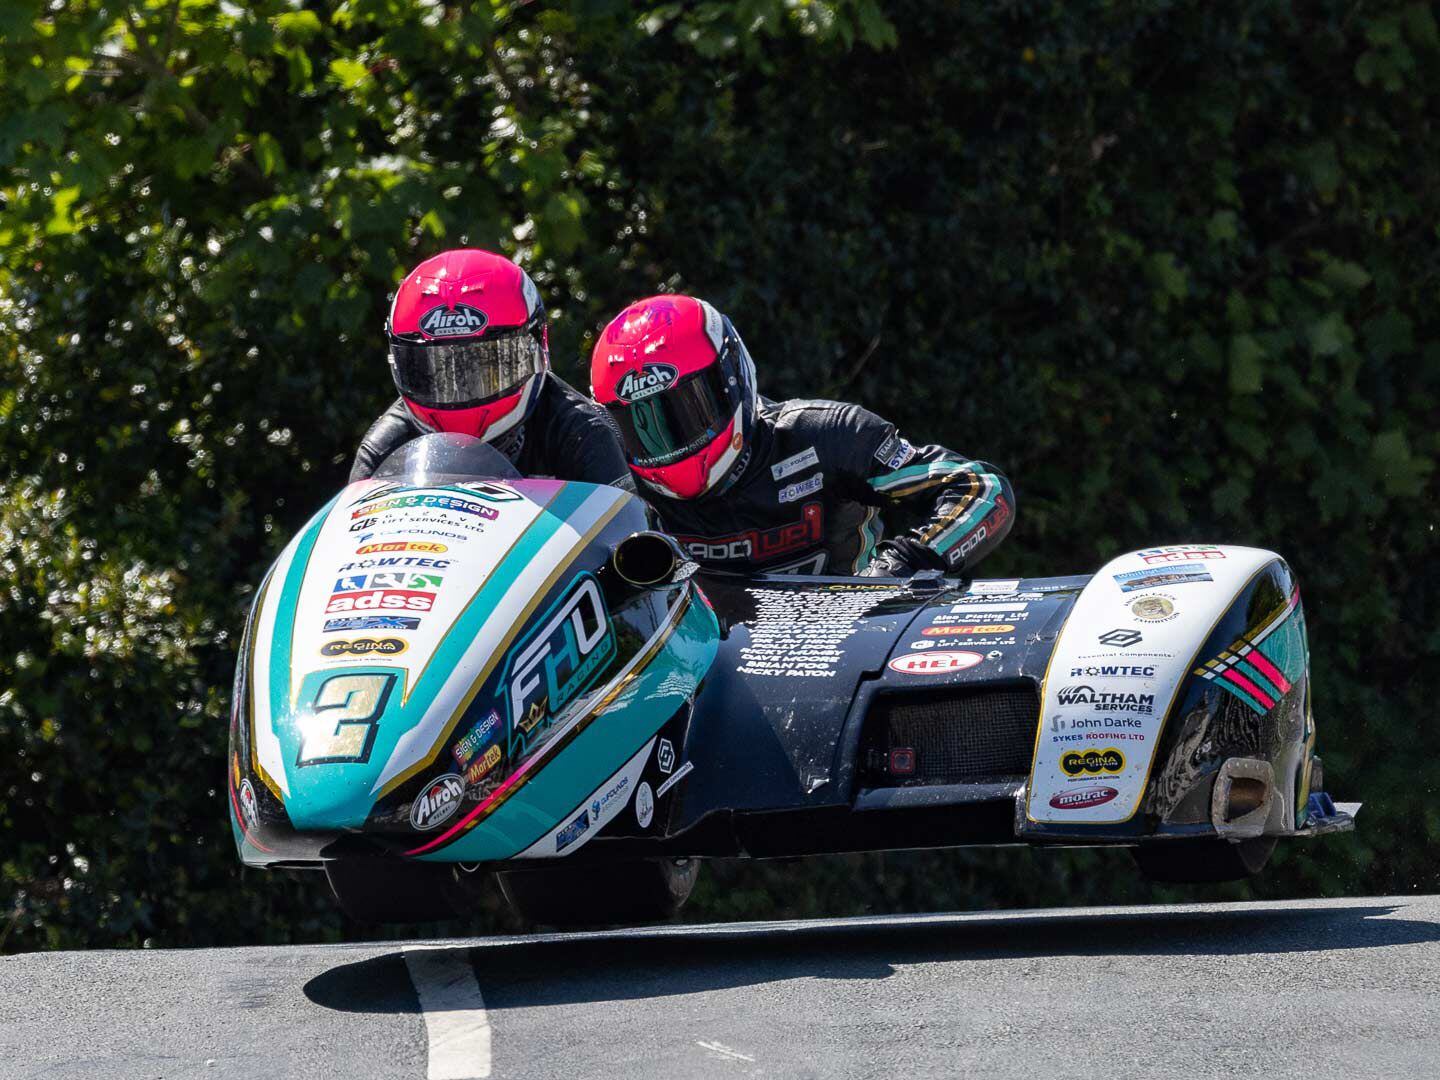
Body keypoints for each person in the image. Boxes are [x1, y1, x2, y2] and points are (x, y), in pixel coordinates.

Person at [589, 294, 1014, 576]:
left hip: (845, 649)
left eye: (685, 411)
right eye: (640, 425)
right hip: (702, 675)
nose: (667, 440)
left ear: (732, 378)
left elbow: (981, 487)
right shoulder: (608, 475)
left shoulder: (824, 436)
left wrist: (901, 566)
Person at [350, 248, 630, 487]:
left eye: (486, 365)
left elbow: (627, 538)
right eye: (437, 370)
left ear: (536, 343)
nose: (460, 386)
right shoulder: (384, 446)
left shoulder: (581, 430)